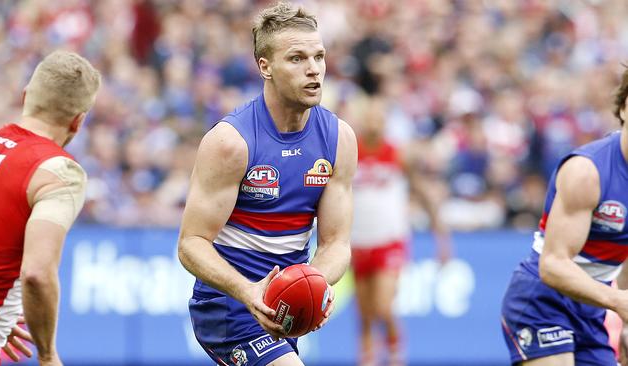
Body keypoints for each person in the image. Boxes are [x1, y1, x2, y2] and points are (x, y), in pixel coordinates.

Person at [177, 2, 357, 366]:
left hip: (281, 309)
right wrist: (249, 292)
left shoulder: (339, 138)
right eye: (297, 59)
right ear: (265, 67)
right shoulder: (232, 141)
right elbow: (191, 244)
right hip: (229, 307)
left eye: (319, 57)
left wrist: (313, 285)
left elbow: (337, 243)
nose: (313, 70)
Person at [0, 50, 100, 366]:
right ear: (79, 121)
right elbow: (37, 273)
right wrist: (47, 355)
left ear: (25, 96)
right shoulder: (57, 171)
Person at [500, 65, 628, 365]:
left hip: (590, 307)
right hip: (541, 298)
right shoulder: (588, 171)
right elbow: (553, 265)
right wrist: (618, 301)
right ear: (624, 108)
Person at [350, 96, 451, 366]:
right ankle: (368, 359)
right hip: (357, 241)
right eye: (369, 119)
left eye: (378, 119)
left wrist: (442, 241)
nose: (373, 125)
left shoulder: (398, 154)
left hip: (389, 240)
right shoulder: (349, 153)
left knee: (383, 307)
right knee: (364, 314)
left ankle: (395, 355)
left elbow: (426, 195)